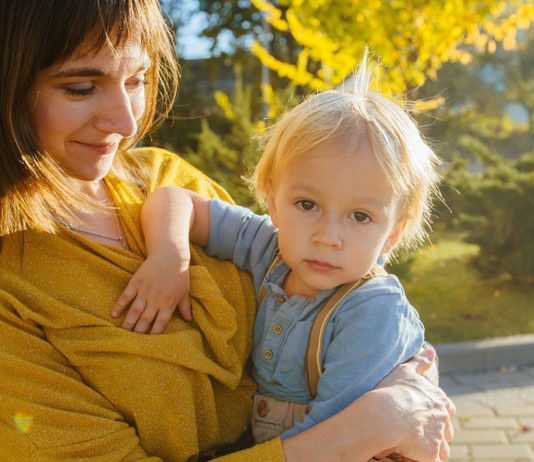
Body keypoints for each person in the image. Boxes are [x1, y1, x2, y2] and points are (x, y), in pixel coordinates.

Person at [0, 0, 455, 461]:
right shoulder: (13, 286)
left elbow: (351, 310)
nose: (127, 122)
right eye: (81, 88)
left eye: (137, 79)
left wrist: (408, 384)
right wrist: (379, 422)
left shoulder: (161, 175)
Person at [112, 56, 440, 451]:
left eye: (360, 216)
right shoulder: (269, 247)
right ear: (272, 199)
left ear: (393, 234)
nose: (327, 236)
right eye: (307, 205)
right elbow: (174, 199)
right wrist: (170, 256)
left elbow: (338, 435)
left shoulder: (371, 311)